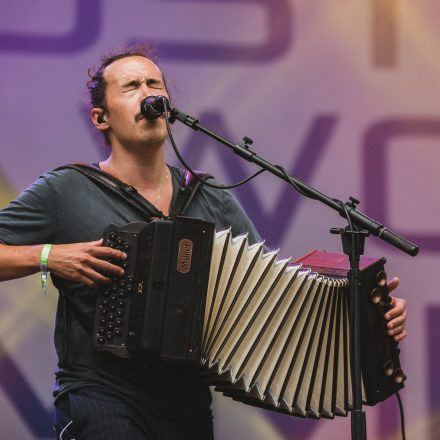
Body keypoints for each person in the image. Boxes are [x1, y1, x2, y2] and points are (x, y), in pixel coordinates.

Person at [0, 45, 407, 439]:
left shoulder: (209, 197)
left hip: (187, 403)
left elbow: (272, 292)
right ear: (101, 117)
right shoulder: (66, 189)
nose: (149, 94)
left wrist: (367, 316)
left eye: (155, 84)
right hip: (101, 396)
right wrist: (48, 256)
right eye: (132, 87)